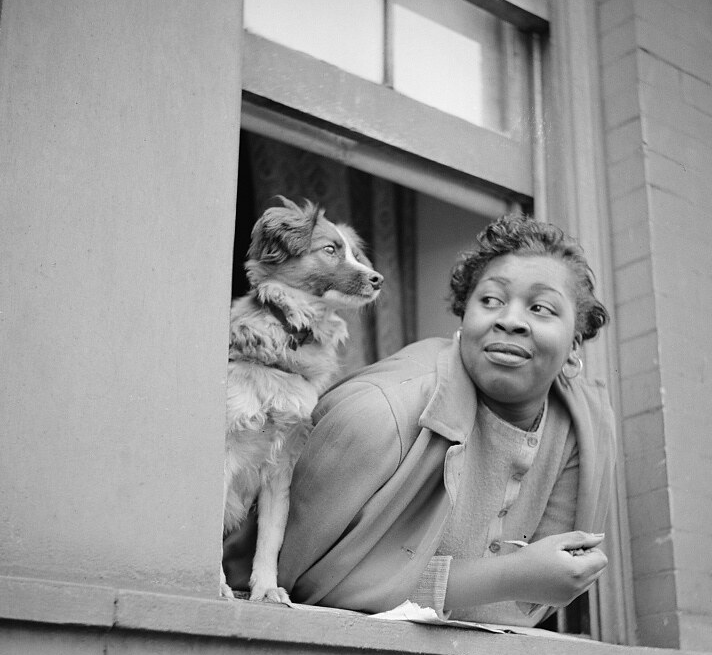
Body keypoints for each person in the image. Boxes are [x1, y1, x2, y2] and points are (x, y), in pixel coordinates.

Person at [224, 212, 617, 627]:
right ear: (463, 318)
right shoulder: (377, 413)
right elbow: (303, 582)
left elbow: (526, 607)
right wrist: (505, 577)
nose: (510, 320)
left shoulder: (586, 431)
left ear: (576, 341)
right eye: (490, 301)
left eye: (540, 308)